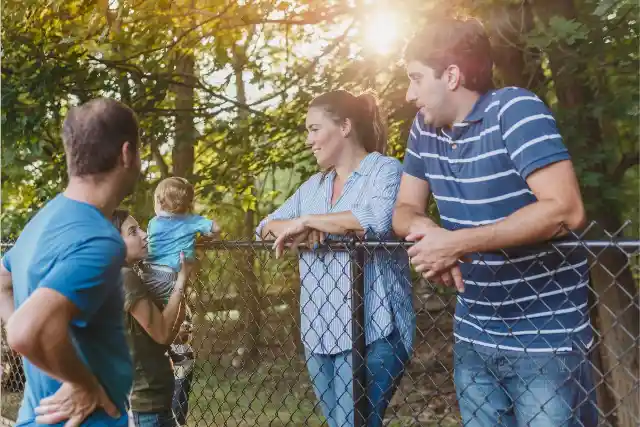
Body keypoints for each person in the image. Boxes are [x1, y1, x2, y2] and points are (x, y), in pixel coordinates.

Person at [392, 17, 596, 427]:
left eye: (416, 78)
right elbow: (403, 210)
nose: (409, 93)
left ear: (451, 76)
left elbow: (565, 209)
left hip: (546, 339)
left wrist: (459, 243)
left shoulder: (515, 110)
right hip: (474, 336)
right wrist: (432, 234)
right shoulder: (423, 130)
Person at [257, 90, 416, 427]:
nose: (308, 140)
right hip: (319, 331)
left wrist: (311, 222)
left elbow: (376, 220)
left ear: (344, 126)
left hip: (374, 328)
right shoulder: (313, 187)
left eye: (314, 129)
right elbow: (266, 226)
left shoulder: (384, 170)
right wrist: (301, 224)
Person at [0, 98, 141, 426]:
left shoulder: (43, 221)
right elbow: (23, 330)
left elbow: (2, 285)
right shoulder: (100, 238)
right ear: (126, 153)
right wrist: (83, 383)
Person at [110, 209, 194, 427]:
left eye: (140, 228)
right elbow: (162, 332)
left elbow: (163, 334)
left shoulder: (131, 273)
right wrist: (181, 279)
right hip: (146, 404)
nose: (144, 234)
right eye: (133, 232)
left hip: (154, 400)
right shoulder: (125, 277)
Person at [143, 176, 219, 303]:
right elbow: (216, 228)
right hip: (174, 277)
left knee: (156, 313)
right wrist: (203, 239)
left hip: (149, 274)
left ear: (160, 202)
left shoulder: (153, 223)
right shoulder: (192, 220)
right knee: (174, 311)